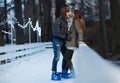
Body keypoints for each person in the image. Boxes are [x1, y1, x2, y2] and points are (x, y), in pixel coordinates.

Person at [64, 9, 86, 78]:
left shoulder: (76, 21)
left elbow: (80, 31)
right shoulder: (79, 21)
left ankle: (72, 71)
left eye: (73, 14)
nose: (72, 15)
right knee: (68, 58)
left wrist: (80, 40)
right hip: (73, 42)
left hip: (72, 43)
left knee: (67, 58)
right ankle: (65, 71)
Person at [51, 7, 70, 80]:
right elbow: (56, 32)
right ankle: (53, 73)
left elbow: (66, 32)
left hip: (63, 41)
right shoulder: (57, 21)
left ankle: (64, 71)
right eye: (68, 12)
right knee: (57, 57)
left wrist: (68, 37)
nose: (69, 14)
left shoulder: (66, 21)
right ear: (64, 13)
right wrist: (64, 37)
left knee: (66, 56)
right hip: (57, 40)